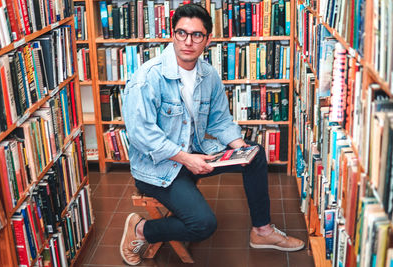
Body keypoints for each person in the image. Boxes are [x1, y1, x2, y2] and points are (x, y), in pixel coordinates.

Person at [120, 3, 304, 266]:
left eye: (197, 35)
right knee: (203, 225)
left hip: (195, 154)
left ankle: (262, 231)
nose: (188, 42)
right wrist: (185, 158)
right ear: (173, 34)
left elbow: (219, 120)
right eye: (182, 33)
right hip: (159, 169)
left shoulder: (208, 75)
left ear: (207, 40)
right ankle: (141, 230)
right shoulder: (148, 78)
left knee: (255, 155)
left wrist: (240, 149)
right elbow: (141, 135)